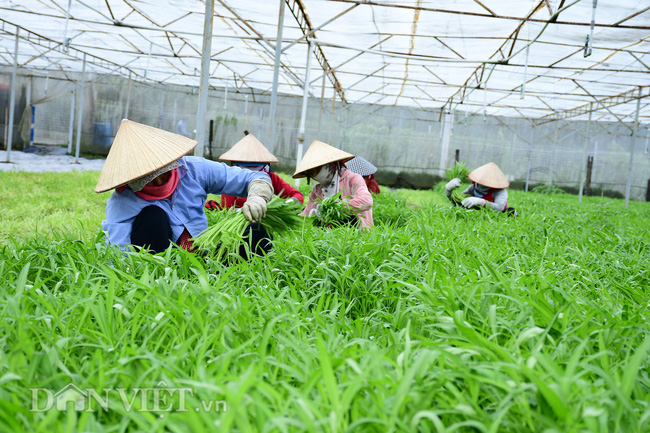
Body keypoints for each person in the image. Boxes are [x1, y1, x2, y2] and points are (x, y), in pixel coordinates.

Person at [95, 119, 274, 257]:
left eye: (163, 174)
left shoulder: (195, 169)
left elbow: (252, 178)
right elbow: (117, 248)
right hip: (163, 260)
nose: (159, 182)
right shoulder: (123, 200)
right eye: (148, 180)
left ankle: (222, 276)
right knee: (152, 216)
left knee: (256, 230)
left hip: (204, 253)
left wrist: (257, 197)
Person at [205, 131, 303, 211]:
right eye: (245, 167)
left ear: (264, 164)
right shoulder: (232, 179)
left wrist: (287, 204)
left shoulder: (270, 178)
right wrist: (243, 211)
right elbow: (228, 209)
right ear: (235, 165)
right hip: (241, 220)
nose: (251, 172)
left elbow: (298, 196)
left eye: (255, 166)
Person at [293, 140, 374, 230]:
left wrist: (336, 208)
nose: (314, 174)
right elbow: (307, 214)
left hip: (355, 234)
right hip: (329, 236)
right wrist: (293, 217)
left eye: (317, 169)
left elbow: (367, 200)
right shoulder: (317, 190)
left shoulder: (352, 179)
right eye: (310, 172)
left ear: (329, 165)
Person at [445, 161, 515, 215]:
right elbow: (460, 202)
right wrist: (449, 191)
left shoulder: (500, 191)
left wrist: (480, 202)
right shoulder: (473, 187)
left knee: (510, 211)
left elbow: (499, 207)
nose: (482, 184)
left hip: (495, 214)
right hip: (479, 214)